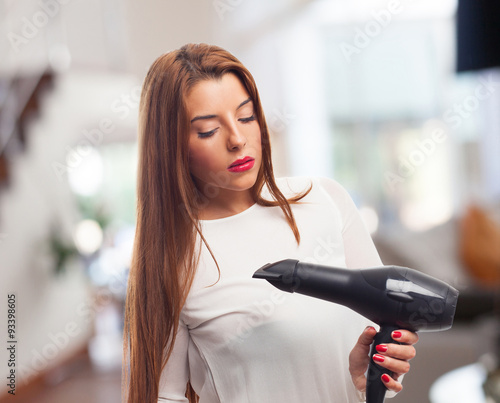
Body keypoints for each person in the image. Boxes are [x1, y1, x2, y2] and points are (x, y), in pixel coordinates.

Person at [122, 43, 419, 403]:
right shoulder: (172, 256)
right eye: (207, 131)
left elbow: (380, 348)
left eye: (246, 117)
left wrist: (370, 379)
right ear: (170, 146)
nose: (237, 139)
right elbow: (163, 397)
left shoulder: (325, 200)